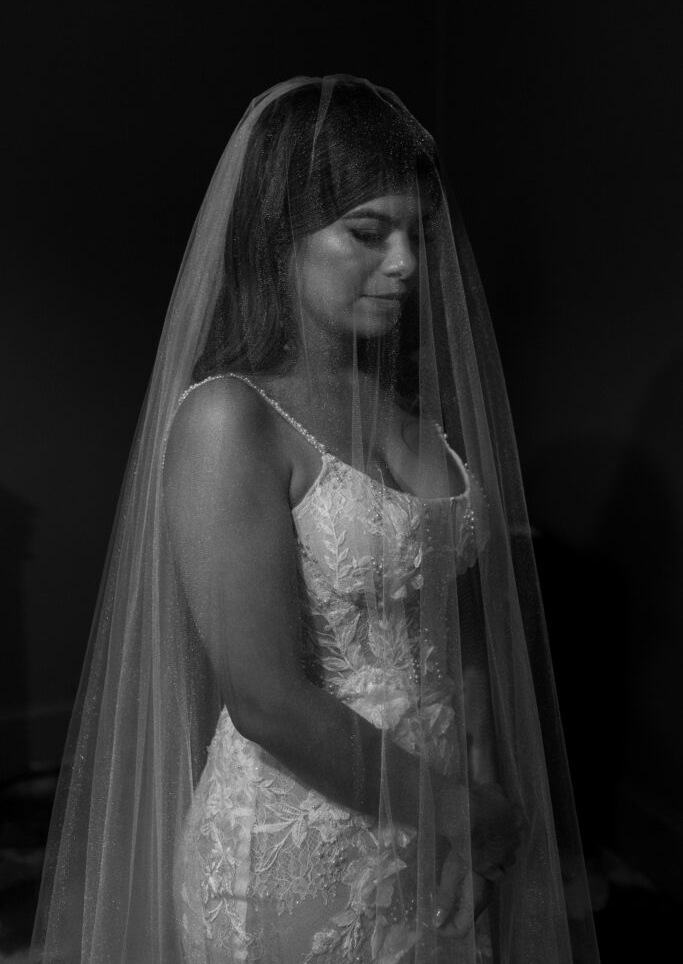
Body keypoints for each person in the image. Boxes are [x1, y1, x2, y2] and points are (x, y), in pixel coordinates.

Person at [31, 77, 600, 964]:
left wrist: (482, 798)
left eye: (416, 233)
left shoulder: (411, 413)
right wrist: (459, 810)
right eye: (368, 232)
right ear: (276, 237)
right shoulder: (231, 419)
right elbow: (264, 698)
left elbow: (457, 624)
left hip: (438, 822)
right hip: (300, 841)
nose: (407, 263)